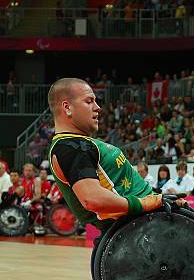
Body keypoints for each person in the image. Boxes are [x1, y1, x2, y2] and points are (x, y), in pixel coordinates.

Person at [46, 78, 170, 233]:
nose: (97, 108)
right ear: (67, 107)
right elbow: (93, 199)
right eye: (89, 101)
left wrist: (162, 199)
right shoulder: (70, 147)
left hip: (148, 221)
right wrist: (144, 204)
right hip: (139, 229)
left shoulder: (81, 143)